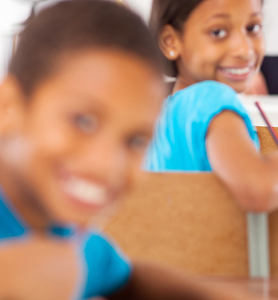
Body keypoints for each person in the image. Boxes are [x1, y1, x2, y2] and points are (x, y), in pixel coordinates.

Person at [0, 1, 255, 299]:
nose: (107, 163)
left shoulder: (65, 235)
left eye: (135, 140)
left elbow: (129, 278)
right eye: (83, 121)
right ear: (8, 108)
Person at [145, 0, 278, 212]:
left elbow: (204, 212)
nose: (243, 50)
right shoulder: (212, 98)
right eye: (217, 32)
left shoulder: (166, 108)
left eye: (253, 28)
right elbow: (259, 190)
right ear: (171, 41)